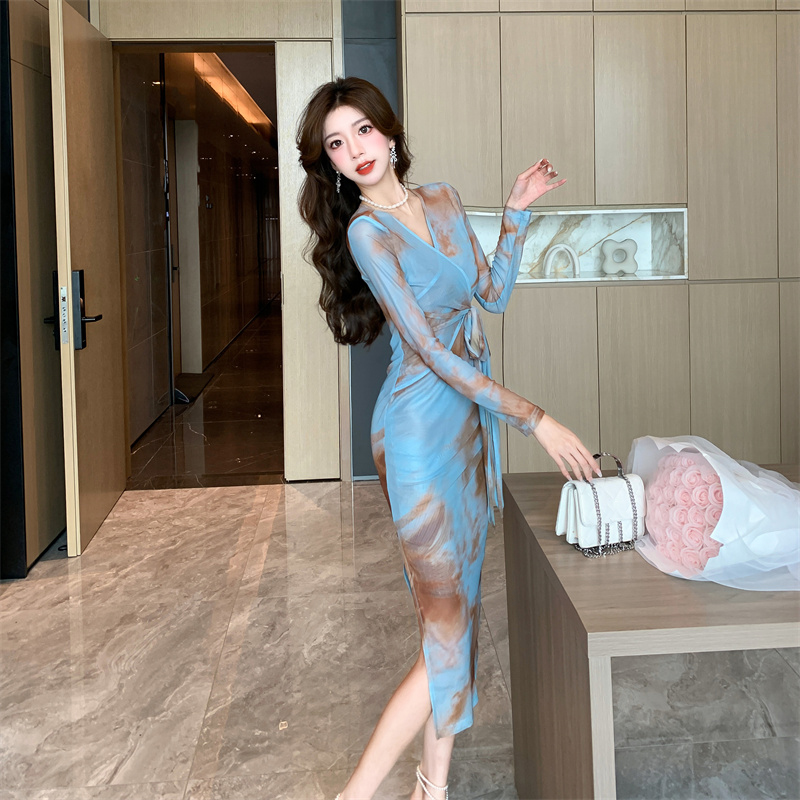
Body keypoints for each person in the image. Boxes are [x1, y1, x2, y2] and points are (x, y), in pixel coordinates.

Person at [296, 76, 600, 800]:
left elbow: (490, 294)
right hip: (417, 435)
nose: (355, 149)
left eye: (362, 130)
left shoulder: (444, 200)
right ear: (330, 164)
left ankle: (430, 790)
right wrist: (535, 418)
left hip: (465, 429)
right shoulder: (367, 234)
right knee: (446, 628)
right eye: (336, 144)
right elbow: (432, 353)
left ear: (388, 131)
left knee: (455, 621)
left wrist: (516, 213)